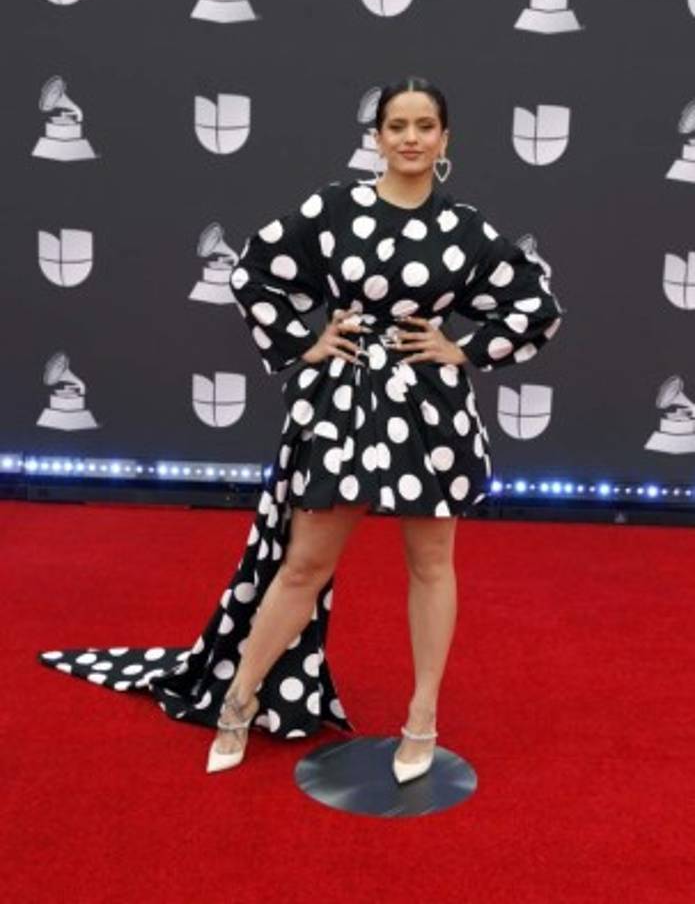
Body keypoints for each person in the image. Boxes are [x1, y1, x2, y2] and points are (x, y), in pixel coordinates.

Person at [37, 76, 564, 784]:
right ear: (375, 136)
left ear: (445, 140)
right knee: (305, 563)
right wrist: (306, 339)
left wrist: (463, 348)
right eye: (397, 125)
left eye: (425, 126)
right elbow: (253, 270)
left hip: (428, 410)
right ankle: (238, 700)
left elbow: (534, 301)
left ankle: (422, 718)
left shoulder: (463, 227)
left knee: (431, 565)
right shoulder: (335, 206)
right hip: (342, 401)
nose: (410, 137)